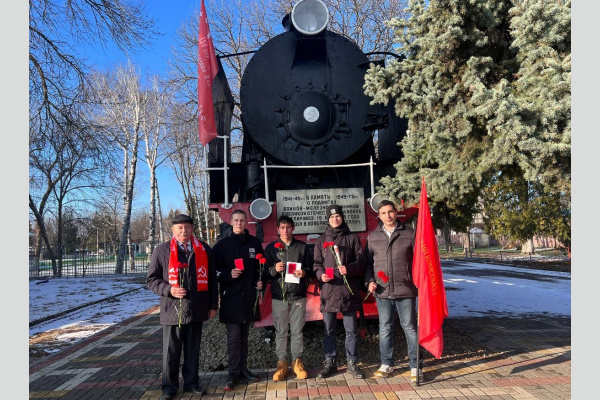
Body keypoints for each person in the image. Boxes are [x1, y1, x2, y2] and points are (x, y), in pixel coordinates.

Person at [146, 214, 218, 400]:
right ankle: (169, 387)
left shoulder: (203, 249)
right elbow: (152, 280)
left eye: (187, 227)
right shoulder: (162, 250)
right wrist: (169, 290)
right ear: (173, 230)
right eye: (179, 228)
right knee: (171, 351)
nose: (183, 231)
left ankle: (191, 383)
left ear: (192, 229)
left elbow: (211, 280)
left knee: (193, 349)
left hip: (197, 307)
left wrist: (212, 305)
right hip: (173, 309)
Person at [364, 200, 423, 382]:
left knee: (410, 328)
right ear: (379, 215)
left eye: (390, 212)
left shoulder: (410, 234)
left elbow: (419, 262)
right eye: (383, 213)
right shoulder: (373, 237)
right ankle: (387, 363)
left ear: (396, 212)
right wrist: (370, 281)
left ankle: (416, 365)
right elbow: (368, 264)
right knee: (385, 327)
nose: (387, 216)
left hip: (405, 289)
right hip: (382, 291)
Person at [211, 209, 265, 390]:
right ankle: (232, 373)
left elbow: (261, 269)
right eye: (236, 220)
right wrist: (228, 273)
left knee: (244, 337)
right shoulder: (221, 245)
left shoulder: (255, 243)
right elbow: (213, 272)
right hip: (231, 298)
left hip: (248, 298)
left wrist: (260, 281)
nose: (239, 223)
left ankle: (243, 369)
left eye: (242, 220)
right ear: (231, 222)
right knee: (234, 336)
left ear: (246, 222)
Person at [313, 204, 366, 379]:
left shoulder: (352, 238)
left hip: (348, 292)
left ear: (342, 217)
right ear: (327, 219)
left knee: (351, 330)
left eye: (338, 216)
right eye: (331, 217)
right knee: (329, 330)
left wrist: (349, 269)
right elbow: (316, 264)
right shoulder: (321, 241)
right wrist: (321, 275)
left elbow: (361, 262)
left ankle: (352, 362)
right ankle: (330, 362)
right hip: (329, 292)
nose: (335, 219)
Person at [264, 215, 313, 381]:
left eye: (288, 227)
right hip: (279, 296)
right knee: (281, 331)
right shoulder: (271, 248)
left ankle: (297, 362)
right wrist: (274, 269)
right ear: (277, 229)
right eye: (282, 228)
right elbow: (264, 273)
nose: (285, 231)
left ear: (293, 228)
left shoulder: (302, 247)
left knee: (298, 330)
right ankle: (281, 363)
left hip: (298, 295)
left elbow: (311, 268)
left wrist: (304, 272)